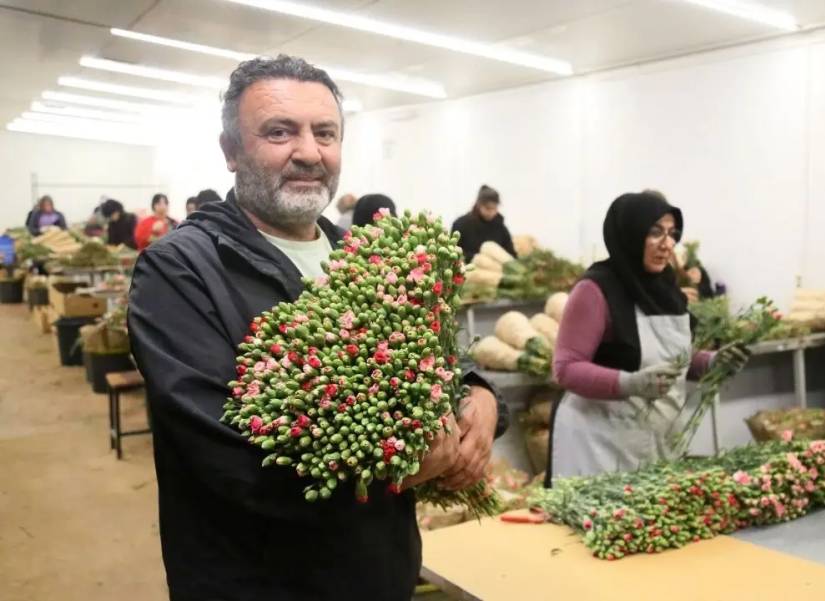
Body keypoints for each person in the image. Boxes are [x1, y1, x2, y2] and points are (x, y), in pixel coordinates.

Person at [127, 55, 505, 601]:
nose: (309, 152)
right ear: (231, 151)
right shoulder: (179, 269)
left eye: (324, 133)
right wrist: (401, 466)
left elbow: (437, 358)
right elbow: (228, 460)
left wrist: (481, 396)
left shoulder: (369, 255)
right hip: (259, 584)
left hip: (381, 573)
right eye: (279, 132)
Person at [546, 192, 749, 486]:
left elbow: (672, 359)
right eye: (655, 233)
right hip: (597, 444)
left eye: (672, 234)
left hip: (654, 441)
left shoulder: (665, 289)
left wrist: (713, 362)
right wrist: (630, 383)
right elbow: (566, 367)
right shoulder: (595, 289)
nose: (667, 244)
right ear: (631, 234)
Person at [451, 185, 516, 262]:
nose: (491, 212)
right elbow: (453, 252)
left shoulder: (500, 227)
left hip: (497, 270)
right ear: (479, 205)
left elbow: (511, 254)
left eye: (494, 208)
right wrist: (477, 258)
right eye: (488, 208)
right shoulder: (461, 224)